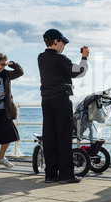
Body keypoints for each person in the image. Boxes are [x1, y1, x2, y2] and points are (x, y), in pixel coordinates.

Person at [38, 29, 89, 184]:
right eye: (62, 43)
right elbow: (80, 72)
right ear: (55, 41)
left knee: (49, 137)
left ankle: (50, 175)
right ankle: (66, 175)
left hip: (46, 100)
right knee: (64, 137)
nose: (63, 46)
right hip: (61, 99)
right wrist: (84, 57)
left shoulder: (41, 57)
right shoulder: (61, 59)